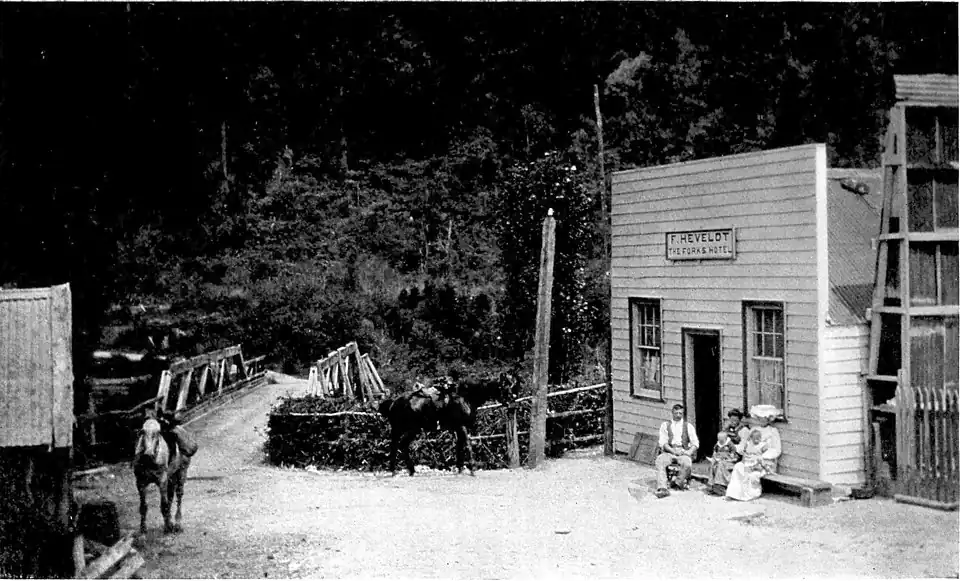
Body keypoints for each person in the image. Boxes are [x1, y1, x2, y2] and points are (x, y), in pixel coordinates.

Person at [725, 405, 782, 502]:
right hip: (750, 459)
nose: (762, 420)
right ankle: (734, 493)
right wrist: (741, 450)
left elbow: (776, 450)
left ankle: (751, 494)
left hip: (766, 462)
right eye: (760, 418)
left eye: (764, 419)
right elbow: (746, 444)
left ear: (769, 419)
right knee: (738, 466)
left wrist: (762, 456)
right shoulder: (754, 430)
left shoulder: (773, 431)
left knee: (752, 473)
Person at [654, 403, 699, 499]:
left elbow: (695, 443)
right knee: (660, 461)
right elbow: (663, 442)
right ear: (672, 413)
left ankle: (677, 482)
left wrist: (689, 452)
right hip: (669, 451)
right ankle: (662, 488)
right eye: (676, 413)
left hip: (683, 451)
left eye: (680, 413)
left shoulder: (688, 426)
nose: (678, 415)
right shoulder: (665, 425)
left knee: (687, 463)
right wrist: (672, 451)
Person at [705, 408, 750, 495]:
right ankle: (711, 485)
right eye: (731, 420)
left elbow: (742, 447)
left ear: (739, 420)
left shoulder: (744, 430)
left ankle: (720, 486)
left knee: (721, 463)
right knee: (714, 461)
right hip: (725, 453)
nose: (733, 422)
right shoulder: (727, 429)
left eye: (735, 420)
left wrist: (729, 448)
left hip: (736, 456)